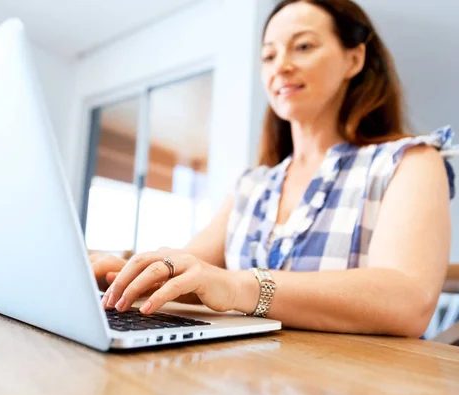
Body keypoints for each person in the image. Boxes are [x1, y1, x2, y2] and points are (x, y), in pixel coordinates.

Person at [90, 0, 456, 338]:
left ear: (354, 59)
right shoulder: (252, 186)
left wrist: (240, 286)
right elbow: (188, 274)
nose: (280, 66)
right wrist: (125, 274)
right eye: (268, 55)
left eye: (303, 46)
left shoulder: (410, 162)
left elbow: (408, 302)